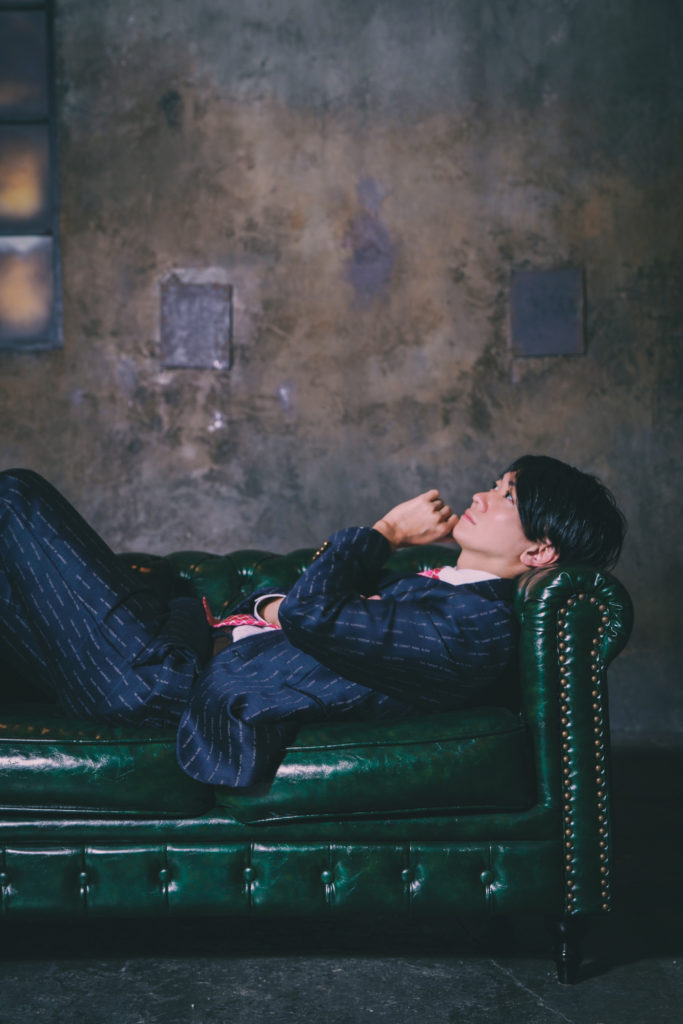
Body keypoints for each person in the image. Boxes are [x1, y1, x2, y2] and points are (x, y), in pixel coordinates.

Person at [0, 456, 625, 789]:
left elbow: (310, 609)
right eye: (496, 483)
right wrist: (281, 609)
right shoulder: (433, 589)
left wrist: (387, 531)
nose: (483, 495)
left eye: (508, 496)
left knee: (17, 495)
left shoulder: (473, 628)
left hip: (162, 681)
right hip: (173, 646)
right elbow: (299, 605)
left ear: (540, 551)